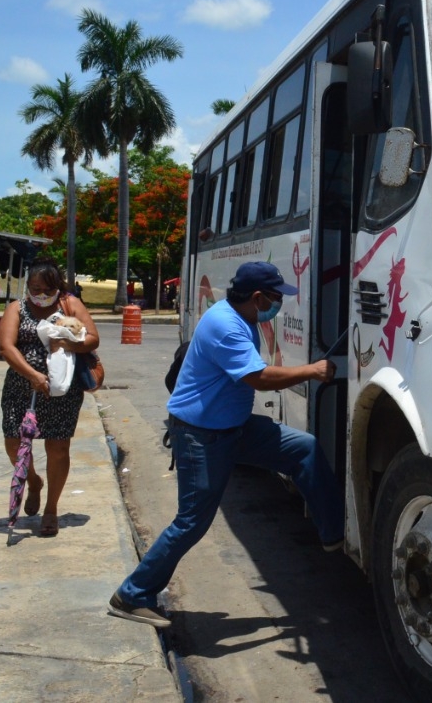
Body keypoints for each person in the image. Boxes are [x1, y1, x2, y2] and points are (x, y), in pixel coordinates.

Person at [108, 262, 343, 628]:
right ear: (257, 297)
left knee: (304, 448)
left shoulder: (241, 317)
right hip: (202, 437)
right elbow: (259, 378)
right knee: (191, 523)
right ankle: (132, 594)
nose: (279, 303)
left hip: (234, 429)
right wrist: (312, 370)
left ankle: (334, 535)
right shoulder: (226, 325)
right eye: (276, 297)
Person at [0, 259, 99, 537]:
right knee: (14, 443)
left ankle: (51, 508)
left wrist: (67, 342)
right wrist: (32, 374)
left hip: (61, 391)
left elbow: (93, 338)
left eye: (46, 289)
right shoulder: (16, 308)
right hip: (21, 388)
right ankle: (33, 481)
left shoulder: (70, 304)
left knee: (58, 448)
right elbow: (6, 347)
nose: (40, 295)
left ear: (57, 287)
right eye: (34, 288)